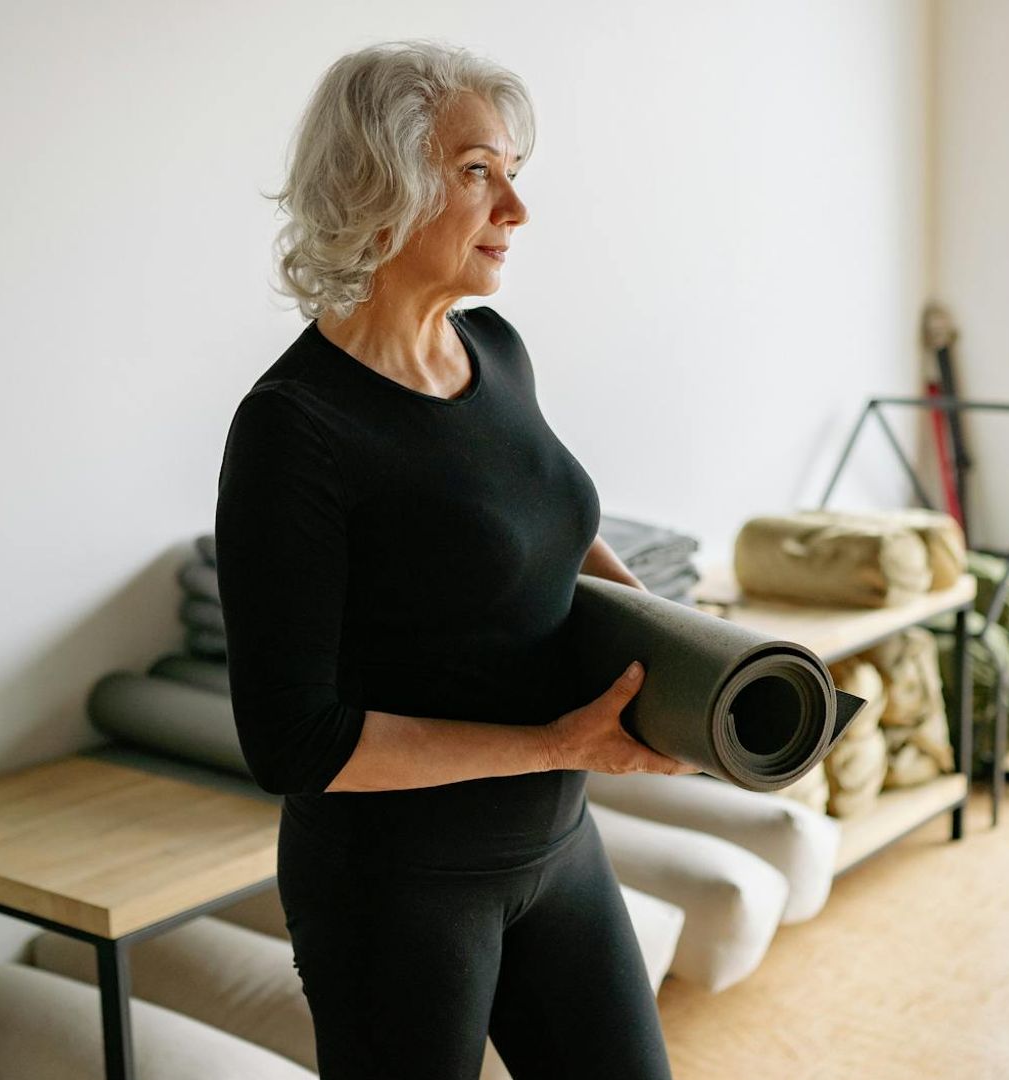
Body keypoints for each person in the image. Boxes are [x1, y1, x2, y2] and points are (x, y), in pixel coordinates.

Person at [213, 38, 698, 1079]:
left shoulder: (497, 351)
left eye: (513, 175)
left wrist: (686, 653)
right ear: (376, 185)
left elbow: (547, 532)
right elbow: (292, 741)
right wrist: (560, 742)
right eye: (479, 172)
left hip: (555, 847)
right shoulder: (294, 429)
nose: (514, 211)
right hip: (398, 888)